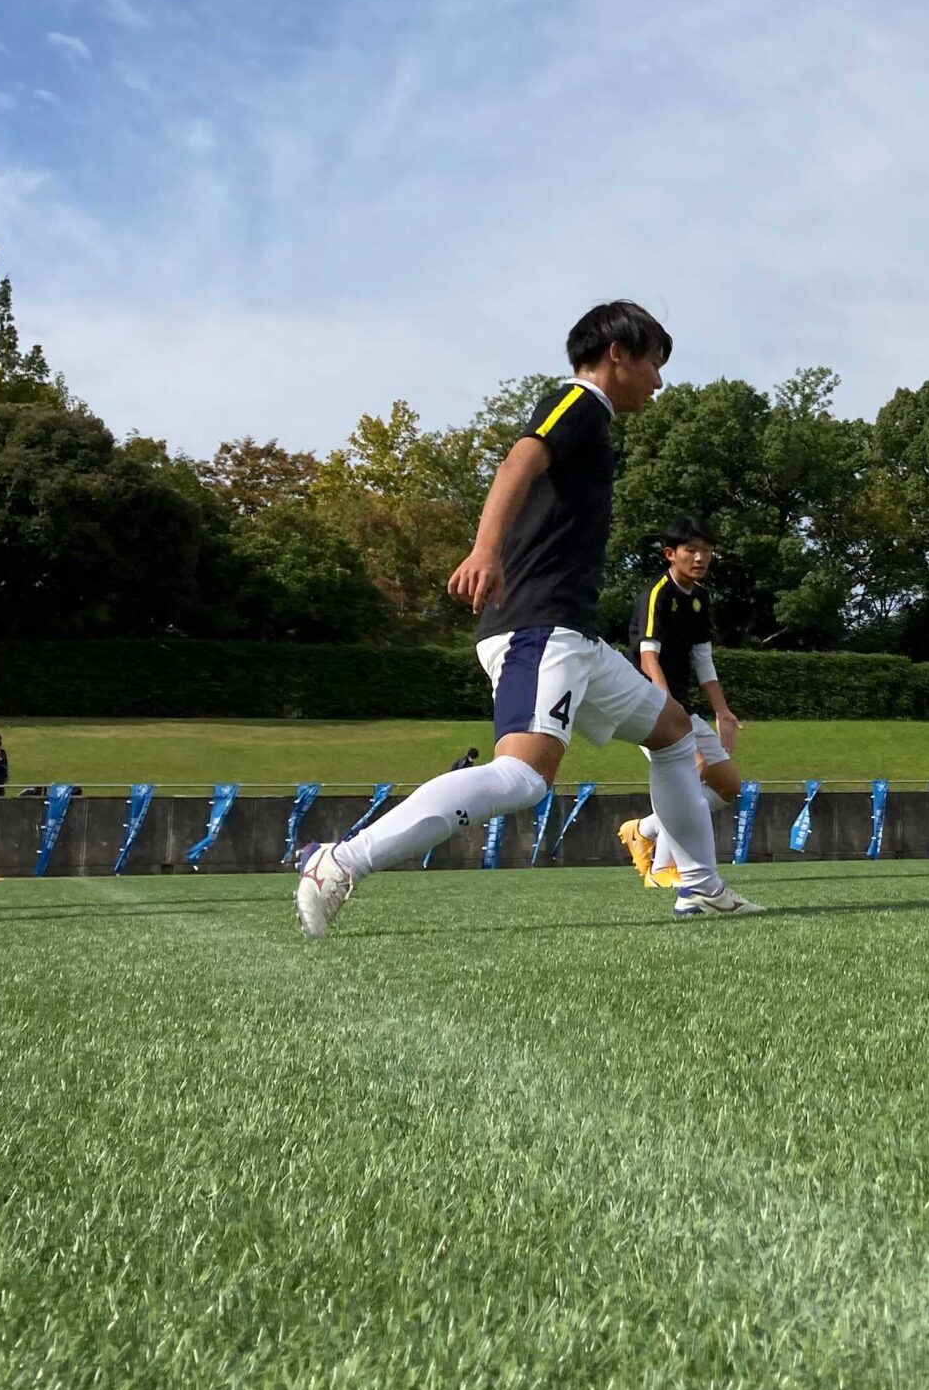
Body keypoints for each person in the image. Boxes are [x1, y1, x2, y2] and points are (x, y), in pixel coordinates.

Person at [293, 303, 758, 933]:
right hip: (540, 629)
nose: (658, 380)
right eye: (654, 362)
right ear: (617, 353)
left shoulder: (595, 421)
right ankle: (338, 862)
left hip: (574, 637)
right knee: (522, 777)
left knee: (674, 733)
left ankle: (700, 887)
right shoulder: (579, 401)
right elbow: (519, 460)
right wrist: (485, 550)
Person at [620, 518, 748, 889]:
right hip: (648, 706)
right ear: (670, 554)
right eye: (691, 550)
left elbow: (702, 659)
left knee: (727, 785)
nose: (700, 557)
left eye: (706, 551)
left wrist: (722, 711)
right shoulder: (657, 594)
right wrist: (666, 707)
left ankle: (643, 830)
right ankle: (662, 869)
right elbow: (647, 656)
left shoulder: (699, 598)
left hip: (679, 706)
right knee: (691, 773)